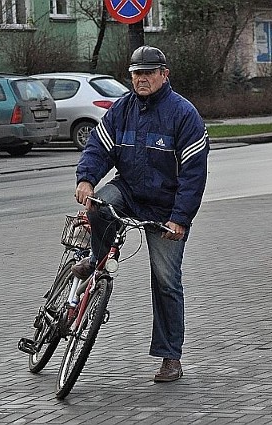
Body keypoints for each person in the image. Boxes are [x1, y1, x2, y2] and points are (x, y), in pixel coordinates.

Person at [72, 45, 209, 382]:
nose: (142, 78)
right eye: (136, 73)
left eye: (149, 72)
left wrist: (179, 219)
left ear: (165, 75)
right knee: (100, 206)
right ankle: (96, 258)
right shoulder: (122, 109)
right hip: (129, 191)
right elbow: (98, 148)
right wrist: (87, 180)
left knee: (165, 282)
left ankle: (169, 357)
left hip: (167, 209)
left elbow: (193, 175)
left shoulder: (184, 115)